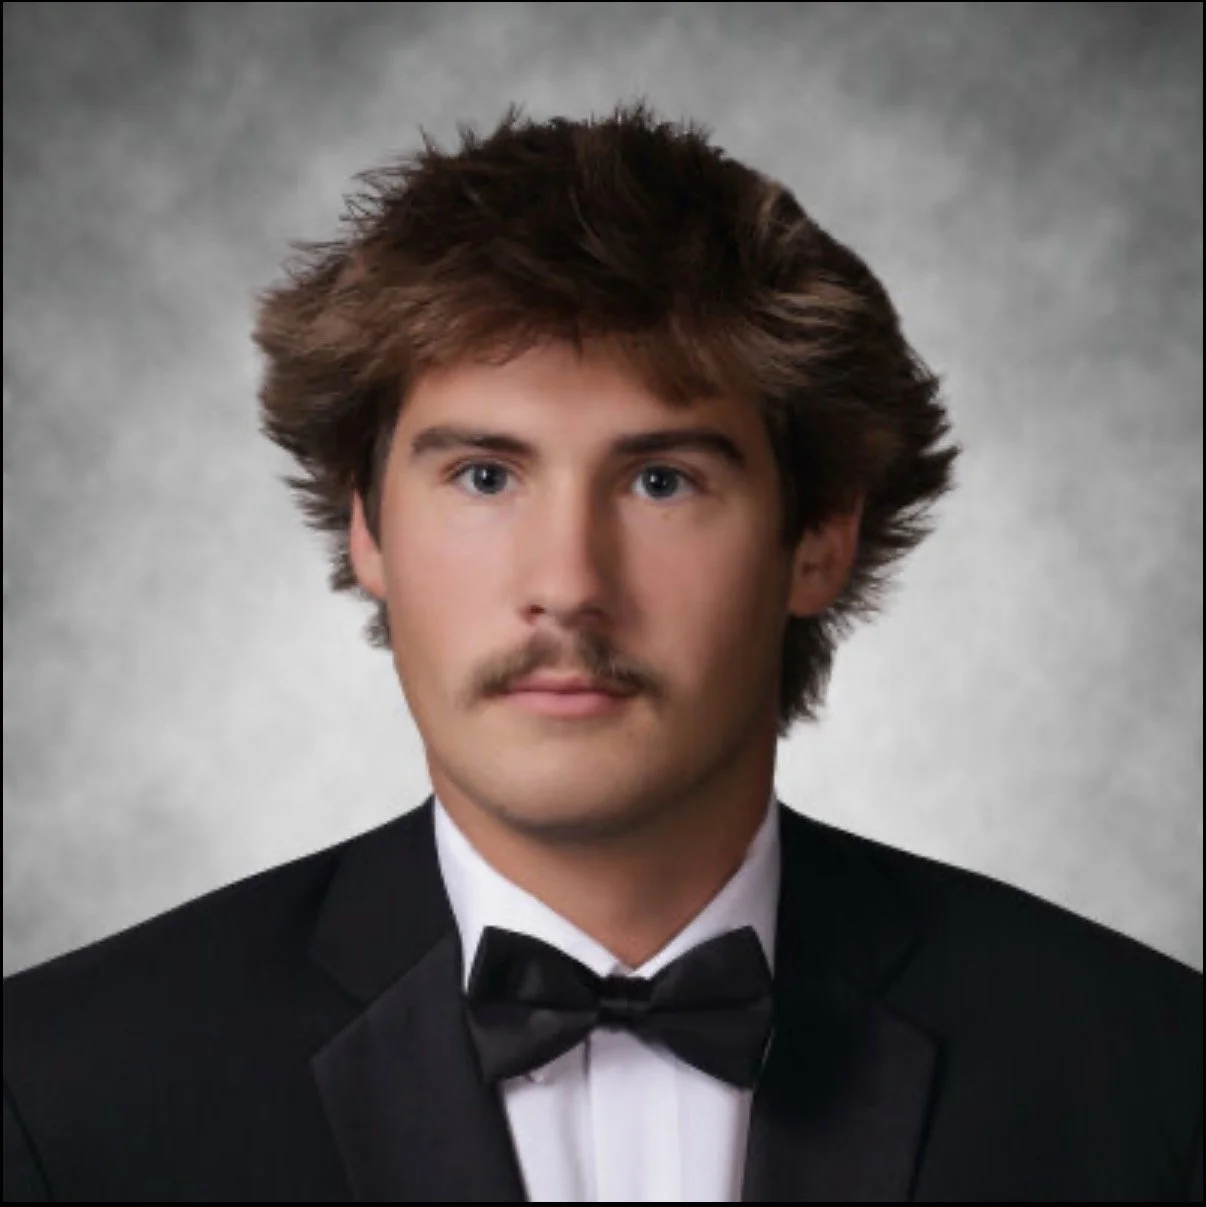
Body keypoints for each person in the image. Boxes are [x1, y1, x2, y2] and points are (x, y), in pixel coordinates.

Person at [3, 99, 1200, 1203]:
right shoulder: (60, 1093)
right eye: (483, 475)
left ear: (822, 536)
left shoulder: (1151, 1079)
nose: (569, 586)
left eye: (662, 480)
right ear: (368, 526)